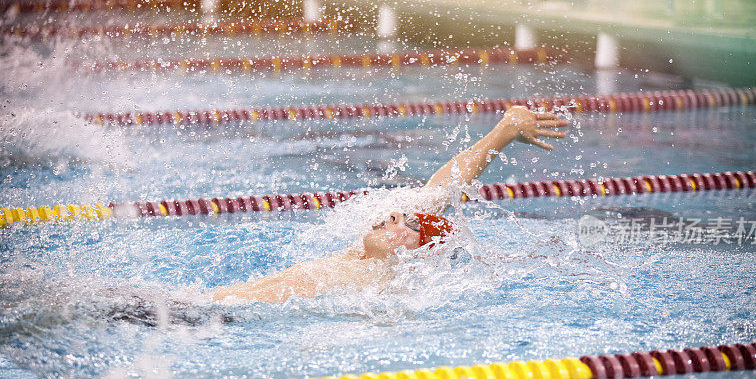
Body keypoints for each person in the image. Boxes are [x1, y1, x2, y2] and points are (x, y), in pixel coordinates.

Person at [211, 106, 569, 303]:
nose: (399, 215)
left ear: (414, 256)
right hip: (206, 305)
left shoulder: (379, 283)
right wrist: (502, 133)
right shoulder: (357, 255)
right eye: (406, 216)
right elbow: (442, 189)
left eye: (411, 227)